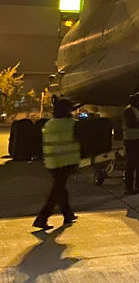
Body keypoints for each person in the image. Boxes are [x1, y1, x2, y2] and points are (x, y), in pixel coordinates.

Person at [32, 97, 80, 230]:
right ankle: (41, 218)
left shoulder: (49, 124)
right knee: (57, 191)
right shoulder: (71, 123)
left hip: (53, 161)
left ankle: (68, 214)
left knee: (61, 189)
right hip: (66, 161)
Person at [122, 93, 139, 195]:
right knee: (131, 164)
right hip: (132, 140)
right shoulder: (129, 110)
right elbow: (131, 124)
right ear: (137, 101)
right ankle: (129, 188)